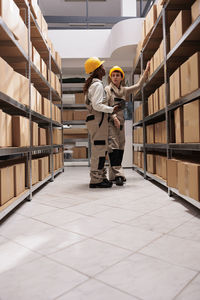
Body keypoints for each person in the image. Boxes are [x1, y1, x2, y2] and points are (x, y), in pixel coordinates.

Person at [105, 62, 150, 186]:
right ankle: (119, 175)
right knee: (113, 148)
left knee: (120, 148)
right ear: (110, 77)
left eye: (117, 75)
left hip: (121, 123)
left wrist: (145, 72)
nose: (115, 77)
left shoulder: (124, 91)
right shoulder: (107, 90)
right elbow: (105, 107)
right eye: (113, 75)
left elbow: (138, 86)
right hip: (111, 123)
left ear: (121, 77)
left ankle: (112, 176)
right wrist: (114, 117)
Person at [83, 57, 120, 188]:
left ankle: (99, 176)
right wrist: (111, 109)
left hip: (96, 120)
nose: (104, 68)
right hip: (98, 119)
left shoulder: (92, 85)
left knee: (100, 149)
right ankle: (96, 179)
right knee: (99, 149)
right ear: (97, 70)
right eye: (101, 66)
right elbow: (97, 105)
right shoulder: (97, 85)